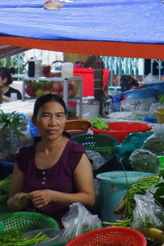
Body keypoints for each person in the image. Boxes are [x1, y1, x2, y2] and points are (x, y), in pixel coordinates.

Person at [7, 94, 97, 222]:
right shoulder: (25, 156)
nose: (53, 123)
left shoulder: (75, 154)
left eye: (59, 116)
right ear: (34, 121)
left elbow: (89, 199)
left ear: (65, 119)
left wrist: (53, 196)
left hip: (66, 228)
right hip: (31, 226)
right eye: (46, 116)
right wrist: (19, 201)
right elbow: (11, 202)